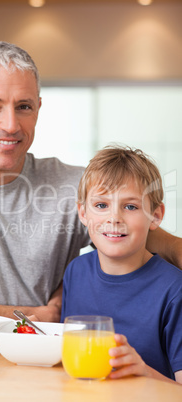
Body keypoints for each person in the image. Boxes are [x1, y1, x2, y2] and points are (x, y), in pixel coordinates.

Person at [0, 42, 181, 322]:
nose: (10, 125)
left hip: (47, 360)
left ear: (38, 109)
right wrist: (40, 315)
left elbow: (140, 232)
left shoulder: (73, 184)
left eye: (24, 106)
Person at [60, 145, 182, 384]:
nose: (114, 218)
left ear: (155, 216)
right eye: (101, 205)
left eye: (130, 206)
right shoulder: (76, 272)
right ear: (83, 213)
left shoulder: (174, 290)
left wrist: (145, 373)